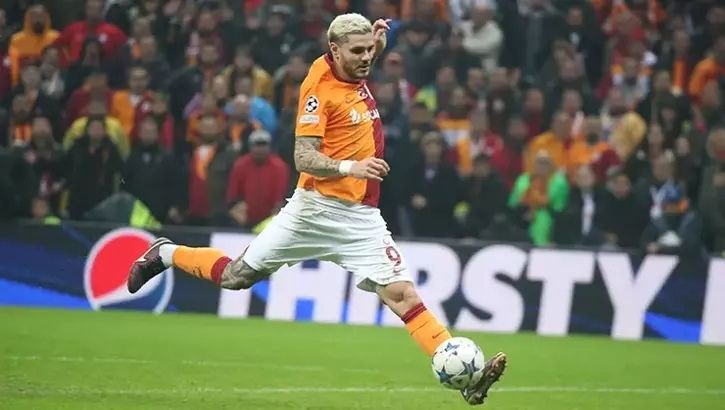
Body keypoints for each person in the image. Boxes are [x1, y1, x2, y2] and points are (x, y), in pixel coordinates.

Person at [126, 14, 506, 406]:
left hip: (360, 219)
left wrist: (376, 42)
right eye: (358, 51)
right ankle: (166, 253)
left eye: (369, 50)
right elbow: (303, 157)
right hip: (312, 210)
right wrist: (351, 167)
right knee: (236, 277)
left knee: (402, 295)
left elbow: (366, 53)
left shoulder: (354, 64)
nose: (366, 58)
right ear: (334, 50)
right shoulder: (318, 90)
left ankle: (468, 380)